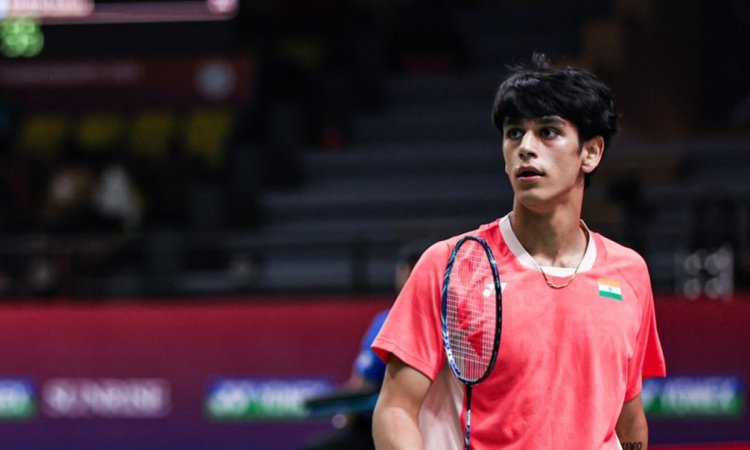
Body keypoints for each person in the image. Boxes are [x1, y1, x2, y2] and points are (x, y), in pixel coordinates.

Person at [371, 53, 666, 449]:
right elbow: (395, 410)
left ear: (591, 153)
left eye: (548, 132)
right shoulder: (451, 266)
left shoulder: (629, 272)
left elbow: (628, 423)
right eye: (514, 133)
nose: (526, 147)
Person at [303, 244, 424, 450]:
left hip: (385, 425)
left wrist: (348, 417)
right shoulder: (446, 322)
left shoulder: (389, 321)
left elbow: (361, 384)